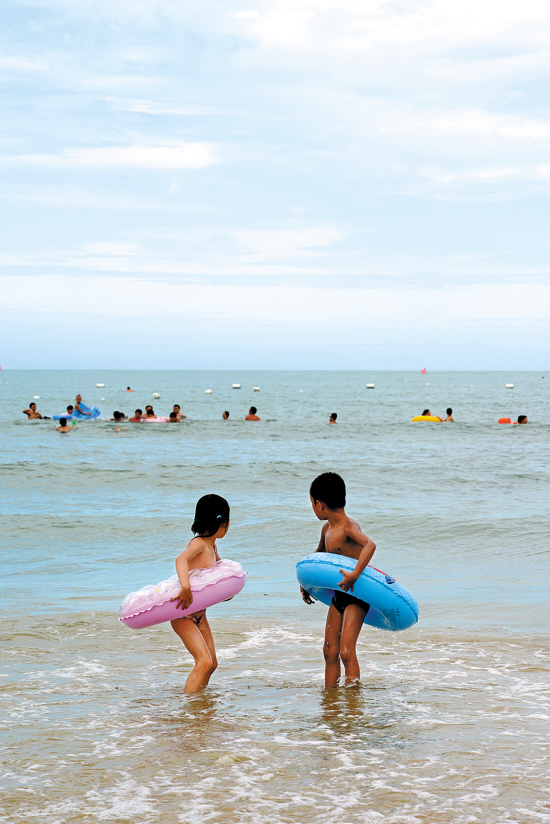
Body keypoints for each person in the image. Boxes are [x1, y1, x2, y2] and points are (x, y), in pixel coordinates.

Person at [301, 472, 376, 688]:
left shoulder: (349, 527)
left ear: (319, 504)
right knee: (329, 650)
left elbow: (370, 545)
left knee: (345, 651)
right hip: (339, 595)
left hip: (356, 594)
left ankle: (353, 704)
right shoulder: (327, 529)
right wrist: (308, 585)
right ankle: (330, 698)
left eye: (312, 503)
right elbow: (318, 558)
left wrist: (354, 575)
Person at [170, 494, 230, 693]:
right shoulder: (198, 544)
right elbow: (181, 560)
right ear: (223, 524)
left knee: (212, 663)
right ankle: (189, 710)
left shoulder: (212, 545)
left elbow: (219, 571)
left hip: (200, 615)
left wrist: (227, 590)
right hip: (183, 614)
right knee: (203, 662)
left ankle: (200, 706)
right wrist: (185, 587)